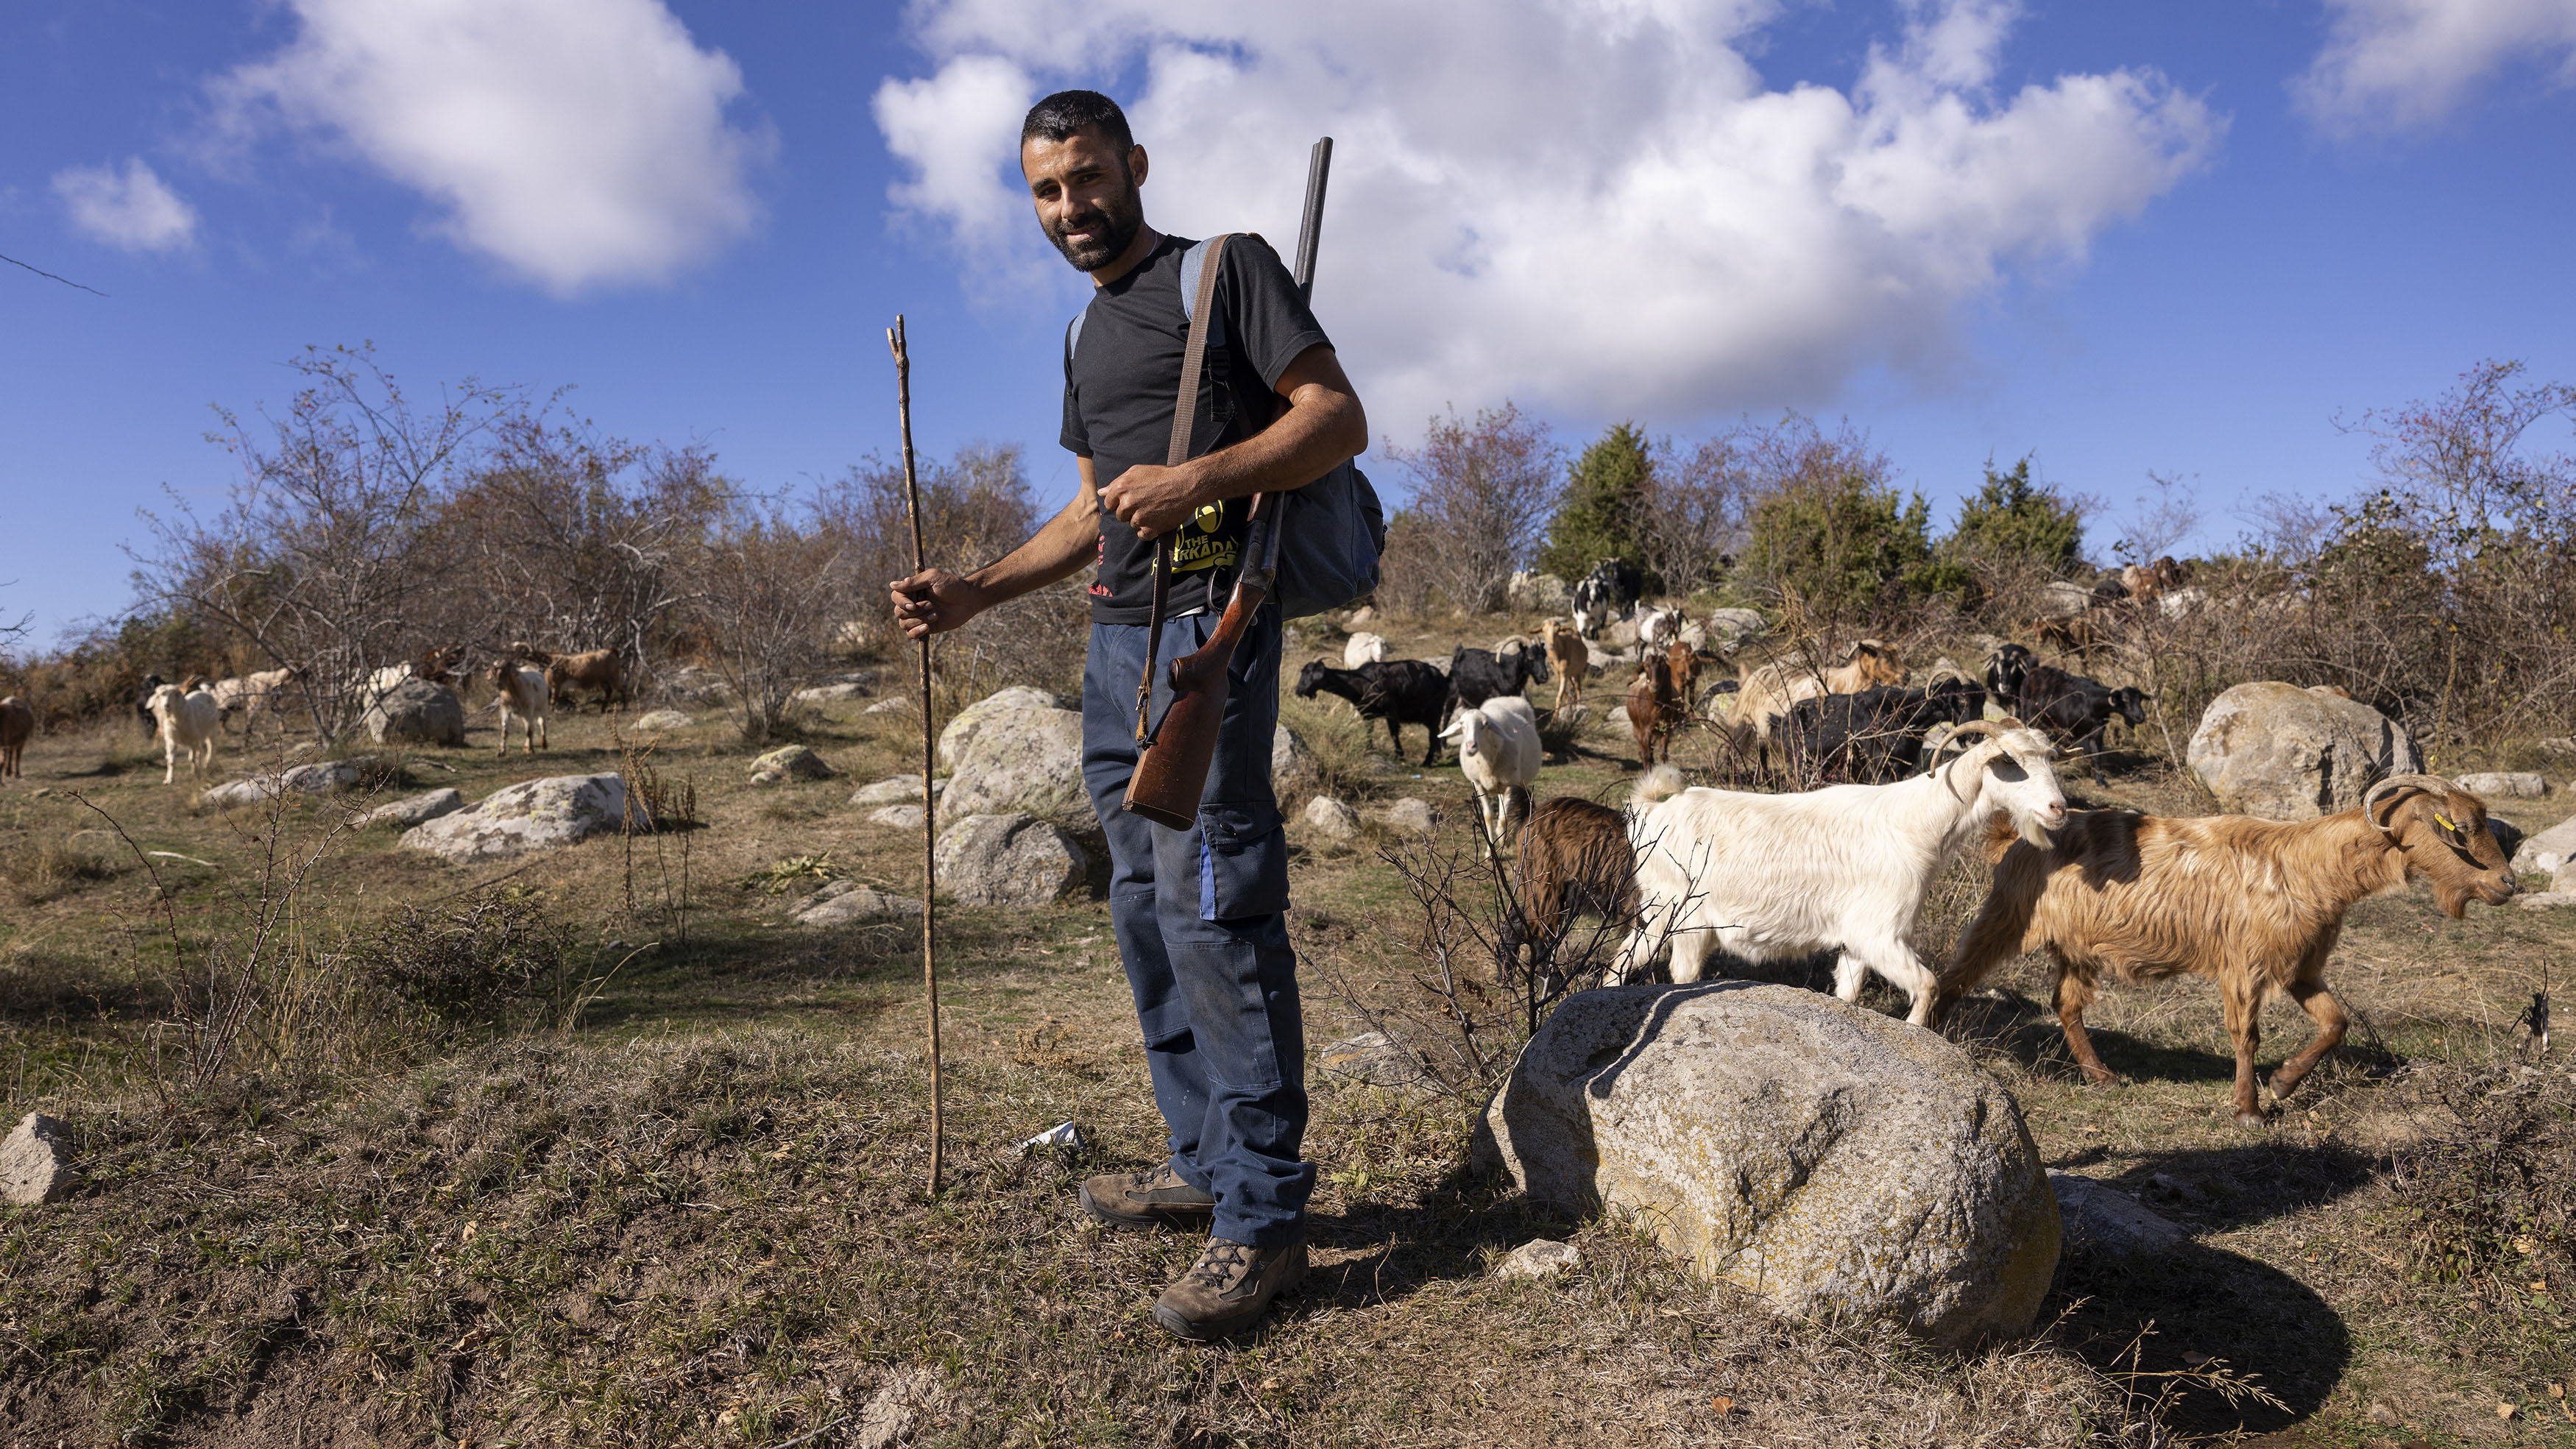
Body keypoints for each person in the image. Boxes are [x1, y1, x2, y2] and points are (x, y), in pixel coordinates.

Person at [888, 90, 1367, 1341]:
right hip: (1115, 647)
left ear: (1133, 166)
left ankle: (1261, 1218)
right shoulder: (1084, 337)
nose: (1070, 209)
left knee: (1216, 903)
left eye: (1087, 179)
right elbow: (1094, 509)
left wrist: (1205, 474)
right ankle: (1203, 1159)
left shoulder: (1227, 272)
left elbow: (1336, 418)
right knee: (1143, 908)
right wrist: (977, 590)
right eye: (1047, 191)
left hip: (1212, 633)